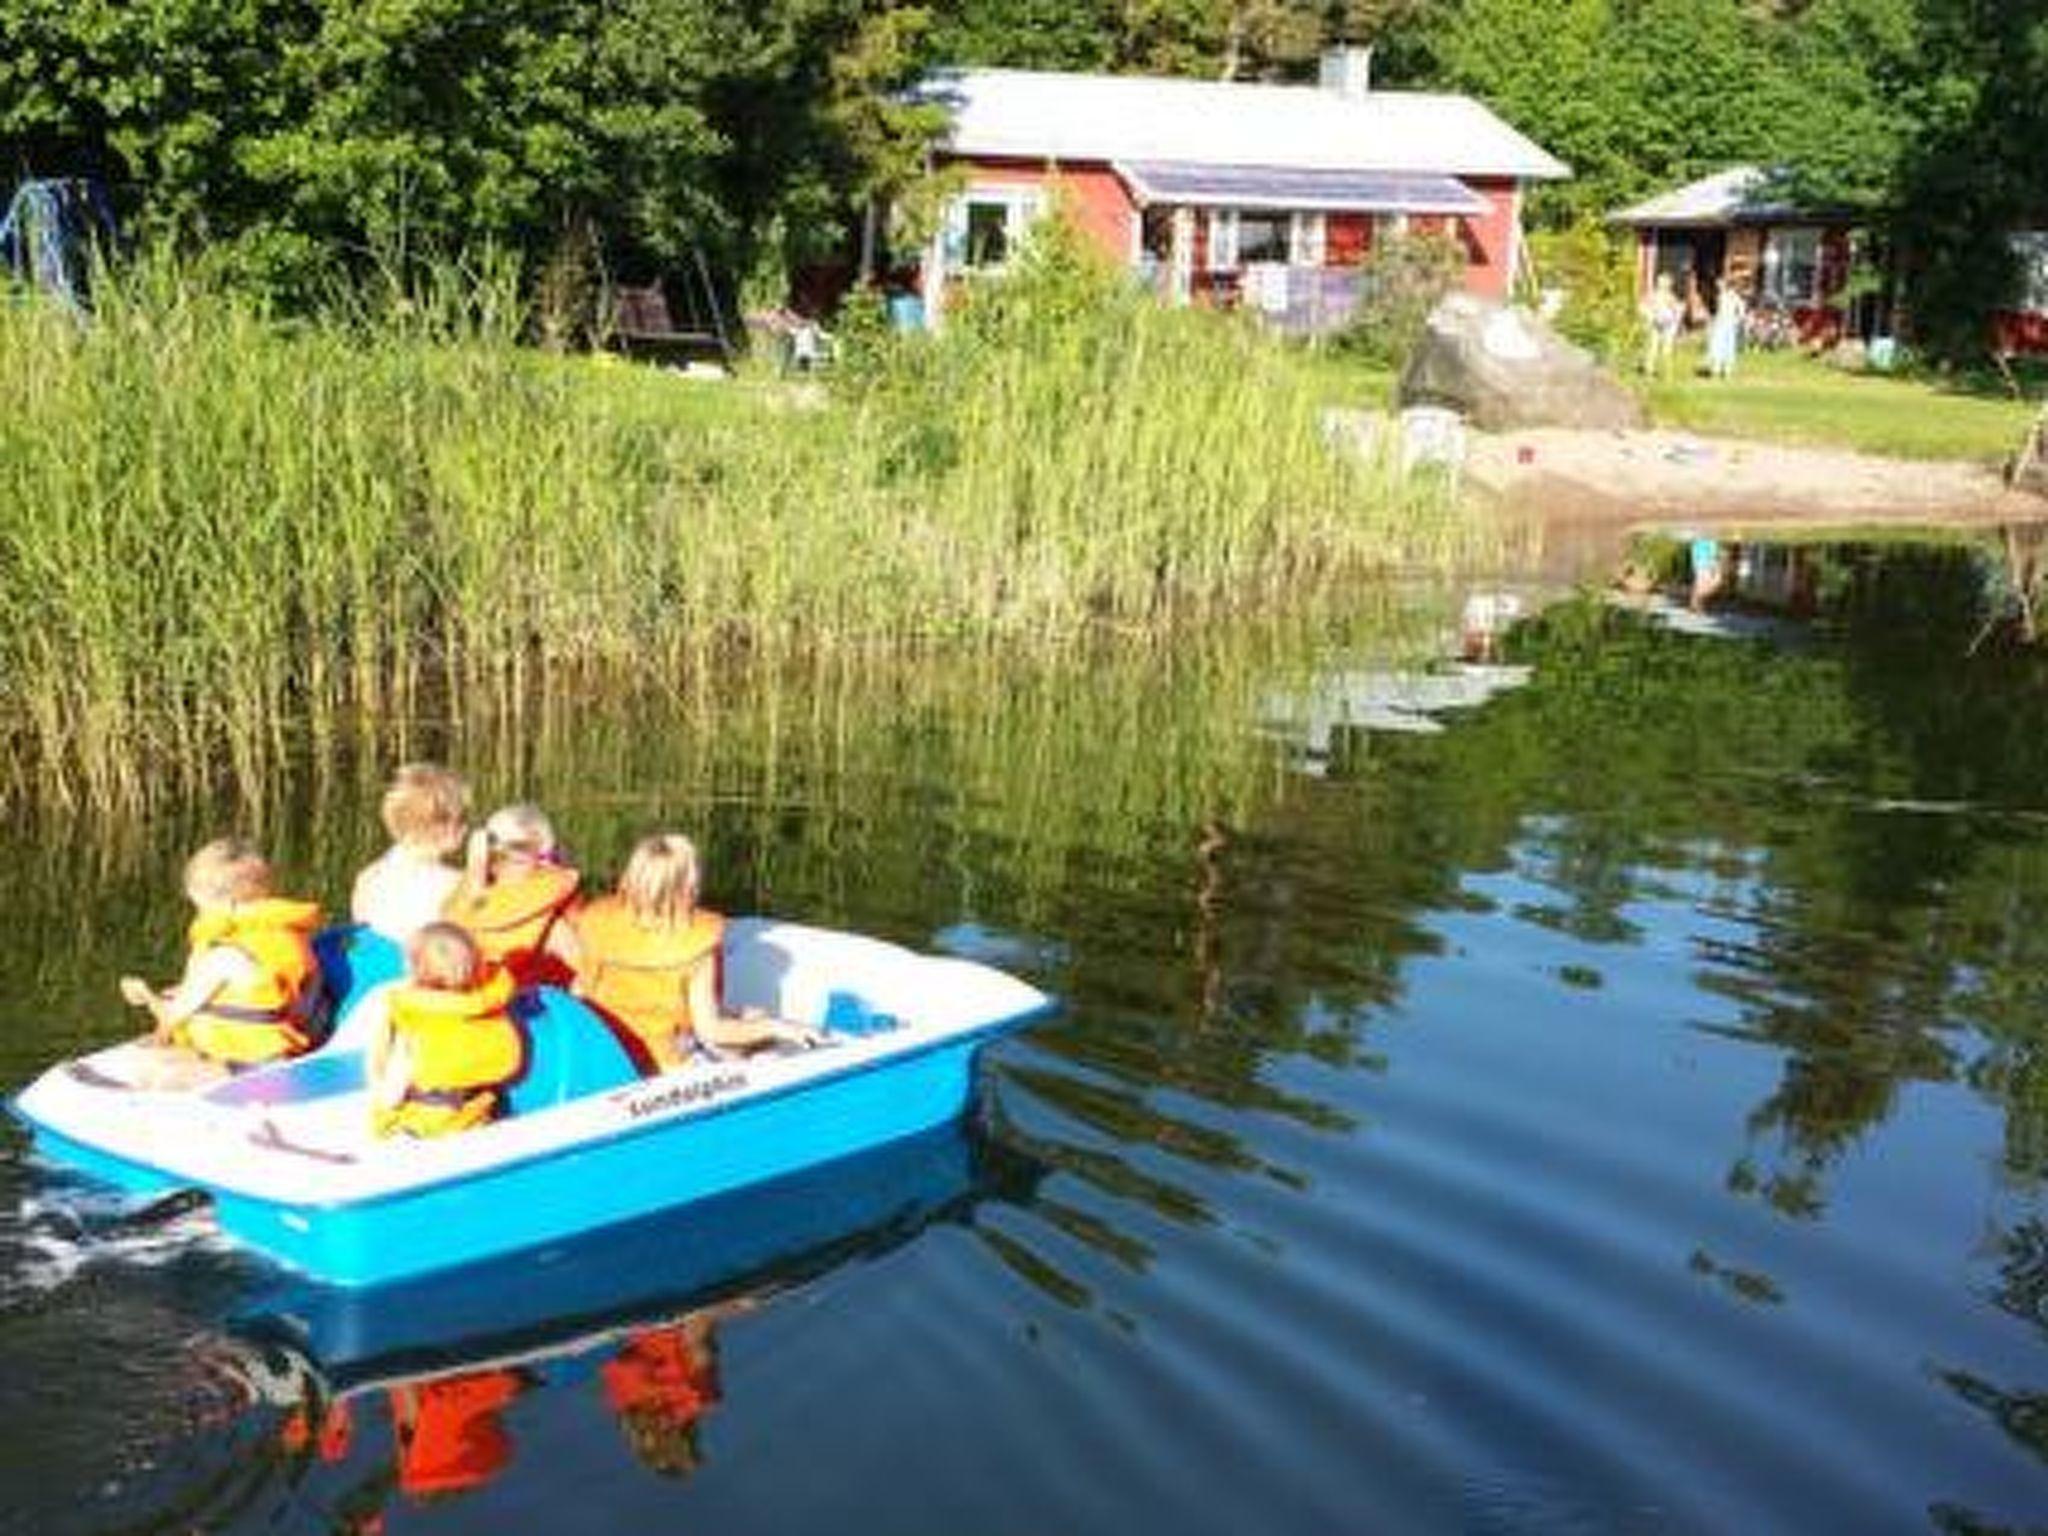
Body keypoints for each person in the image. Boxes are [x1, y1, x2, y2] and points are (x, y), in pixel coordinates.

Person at [570, 833, 824, 1075]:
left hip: (609, 1054)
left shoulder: (595, 923)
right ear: (688, 886)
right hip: (667, 1064)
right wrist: (775, 1027)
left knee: (747, 1018)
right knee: (758, 1022)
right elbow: (711, 1030)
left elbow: (578, 992)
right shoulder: (695, 947)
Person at [119, 838, 324, 1080]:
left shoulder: (224, 956)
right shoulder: (287, 936)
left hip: (252, 1065)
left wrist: (146, 996)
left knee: (152, 1067)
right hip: (289, 1048)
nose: (200, 916)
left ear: (227, 904)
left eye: (201, 908)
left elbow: (171, 1015)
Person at [369, 922, 524, 1138]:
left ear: (415, 969)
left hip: (426, 1128)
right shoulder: (486, 1007)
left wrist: (379, 1097)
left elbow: (391, 1094)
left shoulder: (416, 1019)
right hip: (476, 1117)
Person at [444, 804, 580, 987]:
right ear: (545, 853)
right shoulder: (549, 917)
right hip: (534, 1008)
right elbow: (585, 971)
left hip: (480, 1001)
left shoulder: (464, 900)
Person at [352, 763, 470, 945]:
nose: (466, 828)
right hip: (427, 970)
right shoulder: (455, 884)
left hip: (378, 971)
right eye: (462, 819)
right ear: (443, 825)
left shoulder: (367, 877)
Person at [1642, 272, 1683, 379]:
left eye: (1665, 283)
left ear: (1669, 285)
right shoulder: (1654, 295)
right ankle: (1649, 371)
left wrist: (1675, 320)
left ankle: (1667, 373)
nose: (1662, 285)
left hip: (1667, 325)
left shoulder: (1670, 296)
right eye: (1660, 283)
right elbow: (1644, 306)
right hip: (1656, 323)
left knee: (1666, 349)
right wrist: (1650, 315)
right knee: (1653, 347)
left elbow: (1677, 310)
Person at [1706, 280, 1747, 379]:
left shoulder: (1731, 297)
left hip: (1727, 324)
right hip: (1721, 323)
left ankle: (1725, 370)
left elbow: (1741, 310)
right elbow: (1720, 311)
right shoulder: (1722, 296)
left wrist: (1737, 320)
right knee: (1719, 346)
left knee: (1726, 346)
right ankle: (1718, 369)